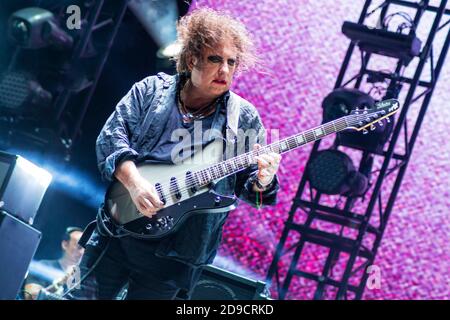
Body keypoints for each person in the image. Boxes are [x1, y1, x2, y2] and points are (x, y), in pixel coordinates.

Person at [74, 8, 282, 300]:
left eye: (231, 62)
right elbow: (111, 140)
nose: (224, 70)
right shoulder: (149, 91)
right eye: (215, 59)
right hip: (117, 235)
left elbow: (257, 197)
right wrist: (135, 184)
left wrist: (263, 180)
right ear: (192, 58)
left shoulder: (243, 118)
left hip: (177, 256)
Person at [23, 227, 84, 300]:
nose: (82, 252)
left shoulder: (84, 279)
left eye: (85, 248)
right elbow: (31, 297)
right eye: (79, 247)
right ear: (65, 244)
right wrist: (62, 281)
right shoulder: (44, 267)